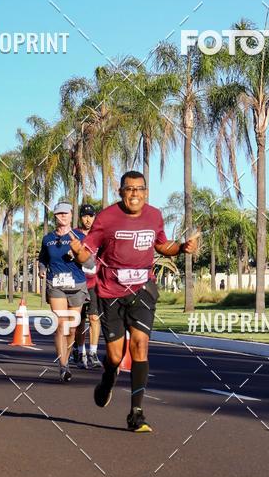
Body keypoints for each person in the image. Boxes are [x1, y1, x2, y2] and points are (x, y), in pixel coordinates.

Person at [70, 170, 199, 433]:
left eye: (139, 189)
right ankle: (108, 378)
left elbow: (162, 246)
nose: (135, 194)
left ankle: (136, 414)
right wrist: (78, 254)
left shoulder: (154, 215)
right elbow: (88, 255)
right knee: (116, 356)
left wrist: (182, 247)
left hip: (142, 290)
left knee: (141, 345)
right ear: (121, 192)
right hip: (111, 293)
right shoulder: (106, 218)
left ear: (146, 192)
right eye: (129, 189)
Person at [38, 201, 91, 383]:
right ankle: (63, 365)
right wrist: (41, 269)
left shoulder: (79, 236)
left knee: (72, 327)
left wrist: (77, 254)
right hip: (56, 284)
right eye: (59, 213)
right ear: (55, 216)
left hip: (76, 284)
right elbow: (42, 259)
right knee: (62, 324)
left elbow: (88, 260)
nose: (63, 216)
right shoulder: (48, 239)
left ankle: (66, 359)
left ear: (71, 215)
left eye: (66, 213)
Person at [77, 203, 102, 369]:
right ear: (80, 217)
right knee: (79, 321)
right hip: (78, 283)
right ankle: (80, 352)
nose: (88, 219)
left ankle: (93, 353)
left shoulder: (100, 235)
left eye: (91, 216)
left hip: (94, 283)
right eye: (85, 216)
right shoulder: (73, 234)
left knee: (94, 318)